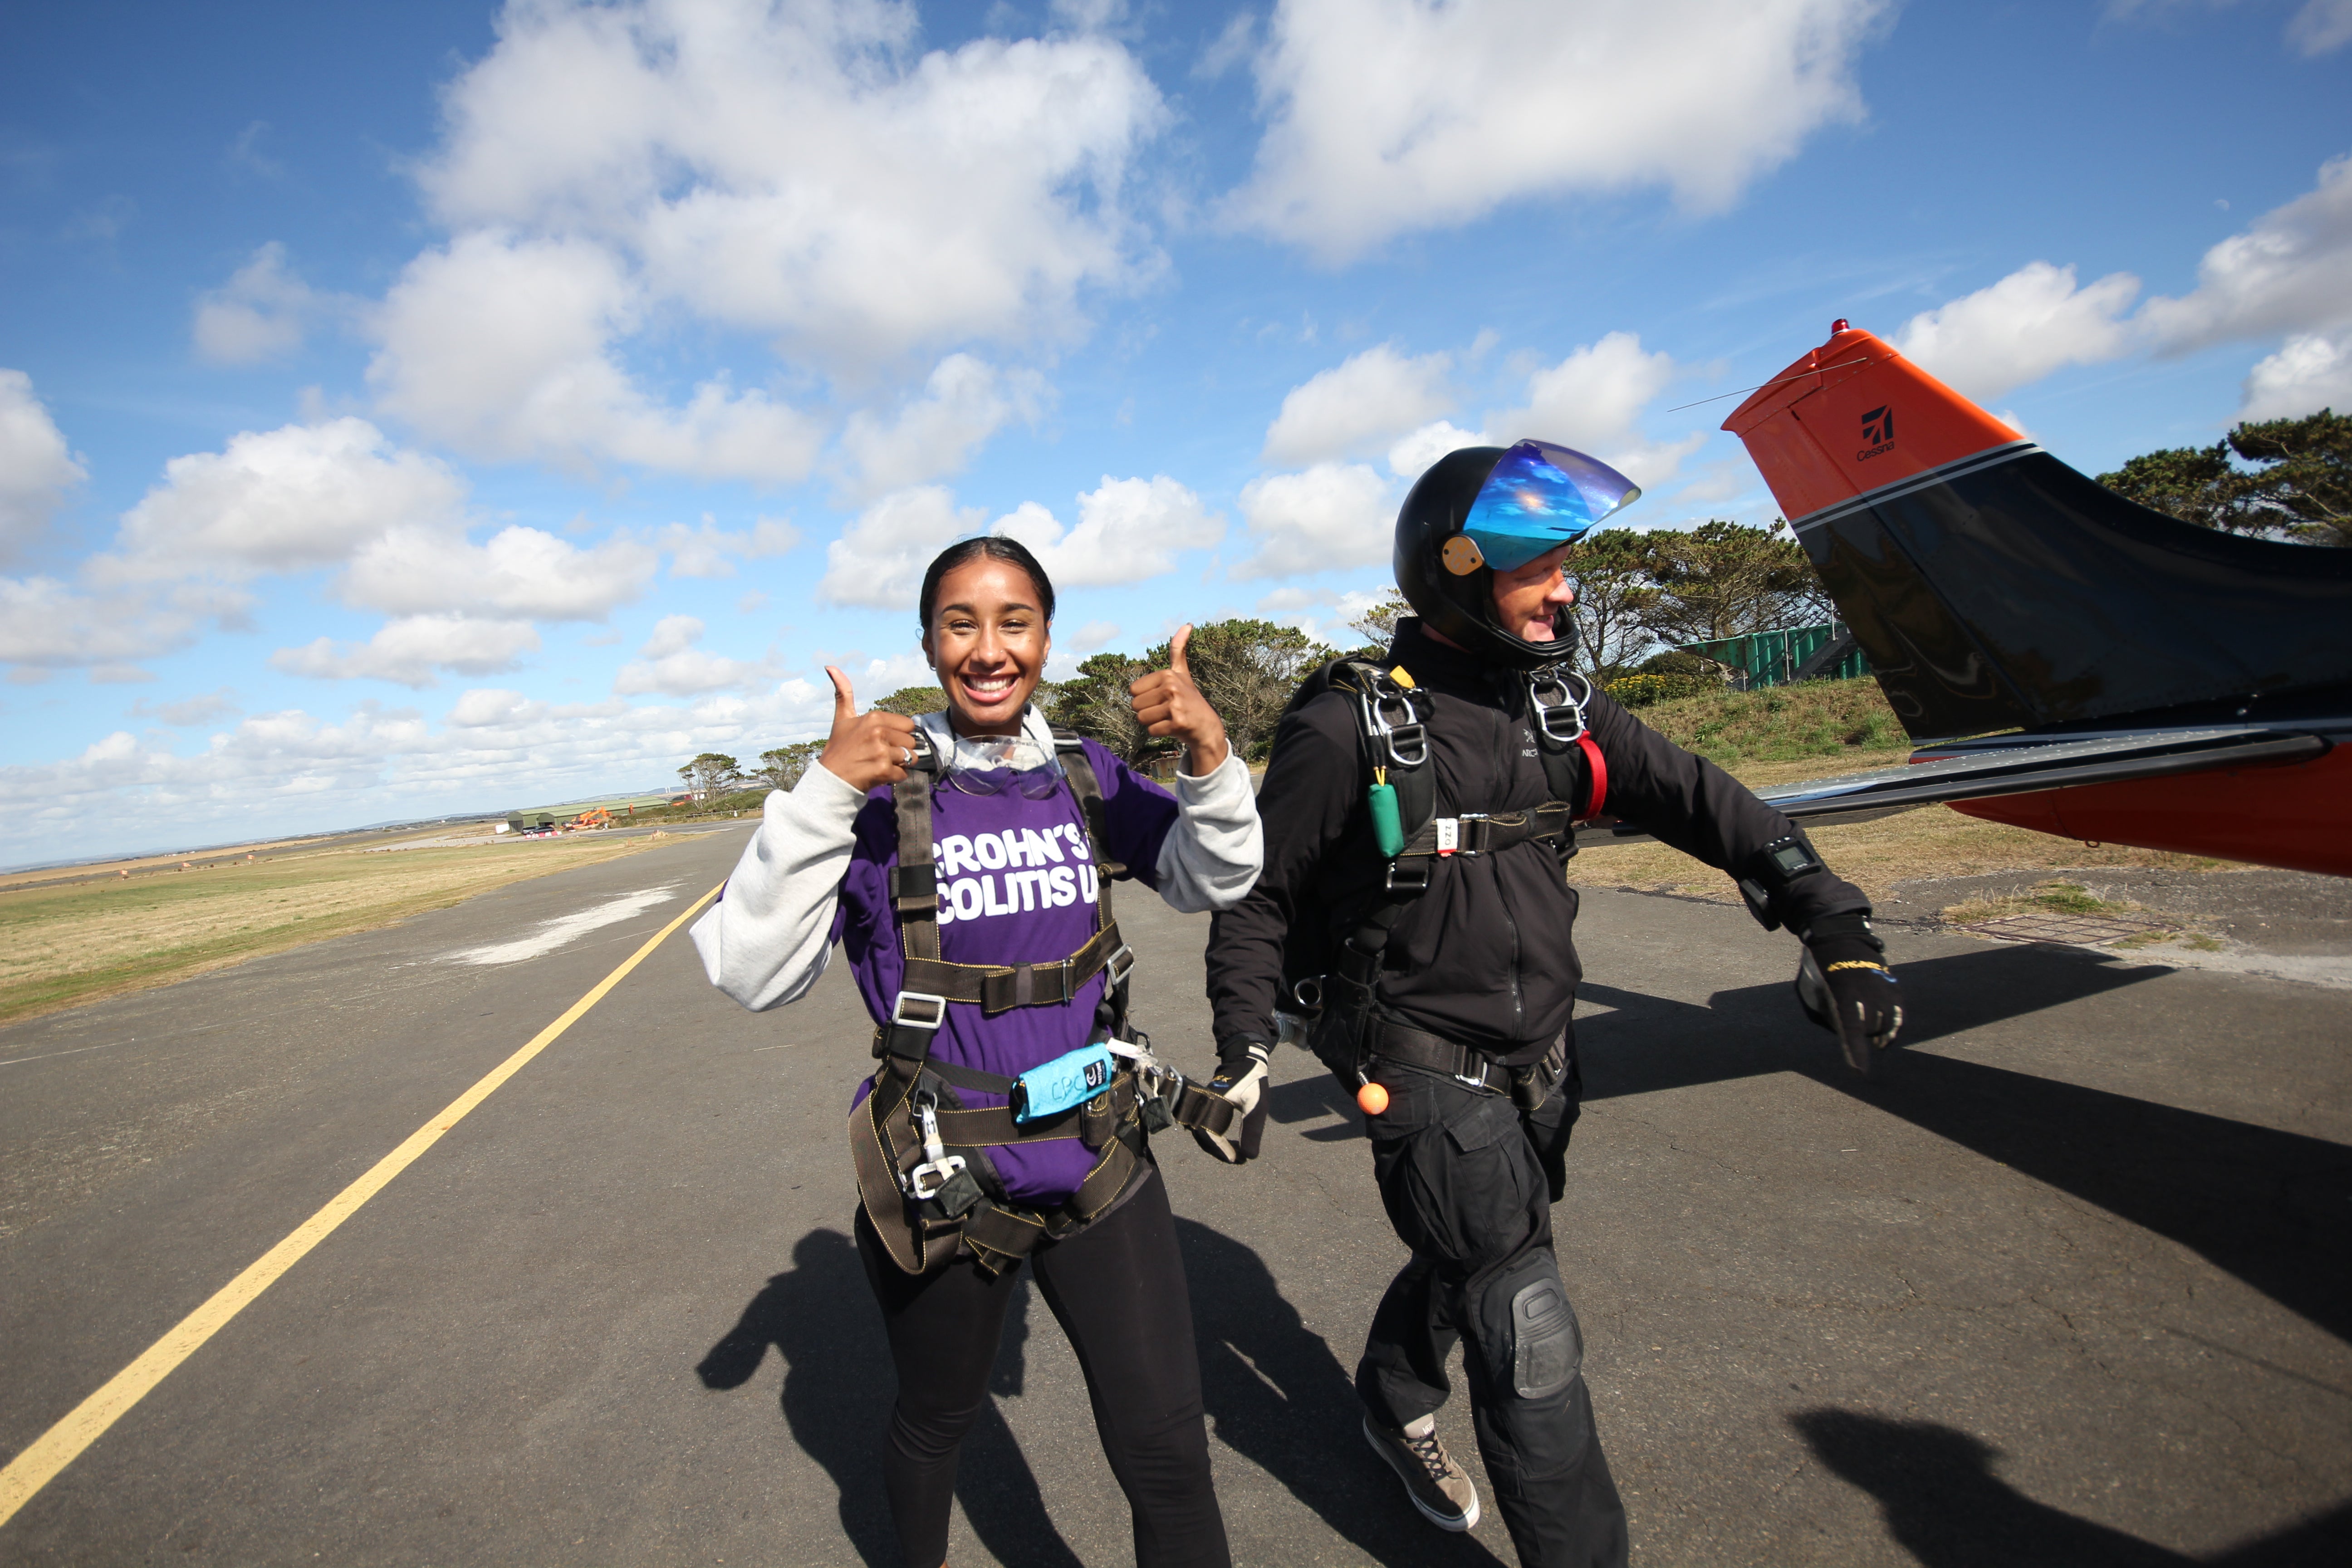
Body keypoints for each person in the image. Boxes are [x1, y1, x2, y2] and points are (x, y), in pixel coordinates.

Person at [1199, 441, 1905, 1568]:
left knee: (1470, 1261)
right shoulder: (1350, 729)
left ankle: (1389, 1399)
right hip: (1420, 1066)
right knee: (1525, 1322)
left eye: (1569, 565)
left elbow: (1702, 799)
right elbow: (1256, 900)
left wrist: (1831, 917)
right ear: (1460, 570)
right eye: (1544, 569)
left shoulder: (1559, 710)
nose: (1567, 588)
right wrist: (1243, 1044)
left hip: (1546, 1061)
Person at [691, 536, 1264, 1568]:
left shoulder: (1084, 781)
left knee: (1168, 1455)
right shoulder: (876, 801)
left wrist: (1211, 758)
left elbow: (1212, 877)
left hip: (1101, 1160)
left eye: (1015, 623)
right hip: (945, 1178)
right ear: (928, 641)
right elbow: (750, 970)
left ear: (1046, 640)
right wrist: (823, 789)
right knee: (936, 1421)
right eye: (962, 623)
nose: (990, 649)